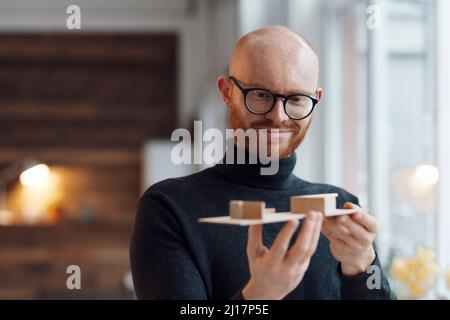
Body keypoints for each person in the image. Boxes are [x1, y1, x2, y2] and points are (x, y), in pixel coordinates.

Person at [130, 25, 395, 300]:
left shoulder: (340, 208)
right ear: (227, 93)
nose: (278, 116)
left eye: (296, 99)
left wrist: (363, 264)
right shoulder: (169, 207)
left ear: (316, 100)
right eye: (260, 95)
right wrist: (261, 294)